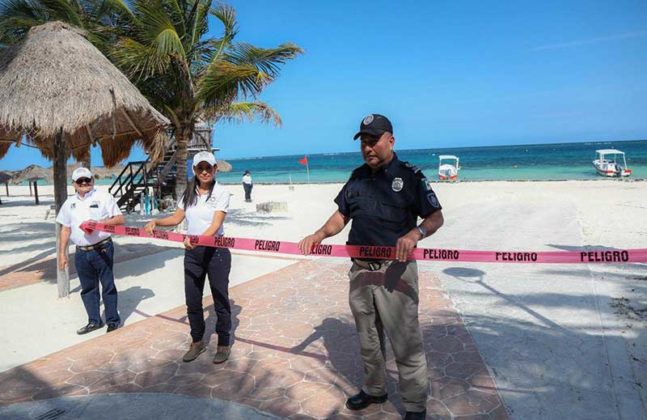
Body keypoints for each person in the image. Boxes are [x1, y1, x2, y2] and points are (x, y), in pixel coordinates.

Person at [298, 114, 444, 420]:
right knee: (368, 339)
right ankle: (375, 389)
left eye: (373, 140)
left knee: (405, 341)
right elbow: (341, 215)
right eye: (363, 141)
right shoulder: (357, 178)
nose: (367, 147)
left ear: (390, 140)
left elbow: (435, 217)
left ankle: (415, 406)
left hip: (396, 272)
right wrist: (319, 234)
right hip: (361, 270)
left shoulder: (410, 177)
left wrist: (416, 233)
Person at [144, 151, 233, 364]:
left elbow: (215, 225)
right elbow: (177, 217)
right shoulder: (188, 192)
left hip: (216, 252)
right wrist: (156, 221)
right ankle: (197, 342)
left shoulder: (221, 192)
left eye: (208, 168)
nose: (204, 172)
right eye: (200, 168)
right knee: (193, 300)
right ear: (194, 170)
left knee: (220, 299)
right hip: (192, 253)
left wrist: (197, 240)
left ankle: (223, 343)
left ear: (215, 169)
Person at [56, 167, 125, 334]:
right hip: (81, 253)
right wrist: (61, 255)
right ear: (74, 184)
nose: (84, 183)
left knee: (108, 286)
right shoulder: (68, 204)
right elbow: (65, 229)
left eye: (87, 179)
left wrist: (99, 223)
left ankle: (112, 321)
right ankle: (94, 321)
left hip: (102, 249)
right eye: (80, 181)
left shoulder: (103, 197)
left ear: (92, 180)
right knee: (88, 288)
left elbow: (120, 219)